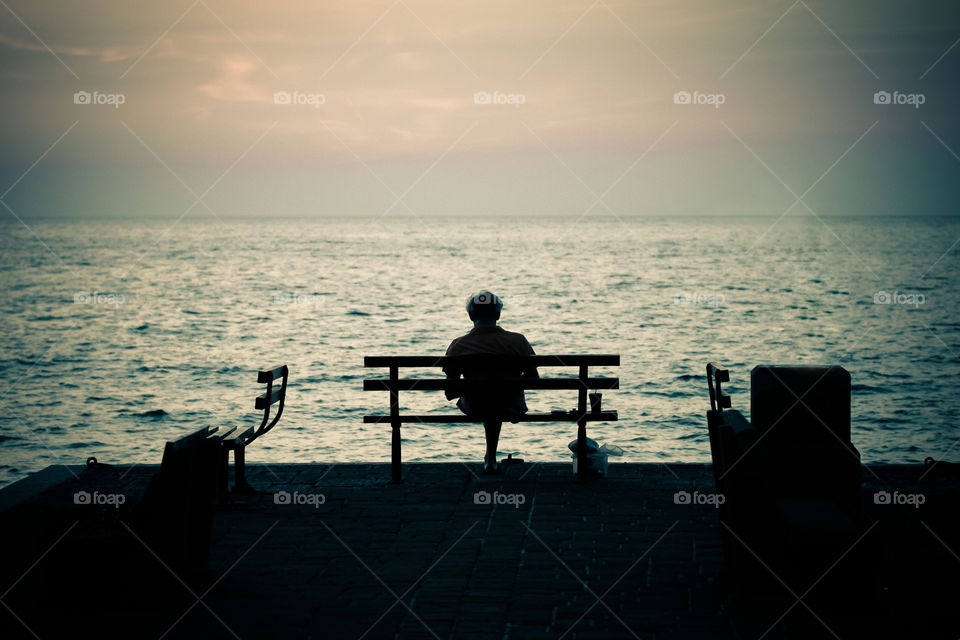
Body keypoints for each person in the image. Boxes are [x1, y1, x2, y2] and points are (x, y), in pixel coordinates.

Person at [443, 291, 537, 474]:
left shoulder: (458, 345)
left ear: (471, 316)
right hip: (510, 405)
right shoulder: (518, 341)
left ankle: (490, 458)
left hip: (476, 406)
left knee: (487, 398)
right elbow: (534, 378)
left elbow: (450, 391)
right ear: (498, 314)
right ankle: (490, 457)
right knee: (497, 398)